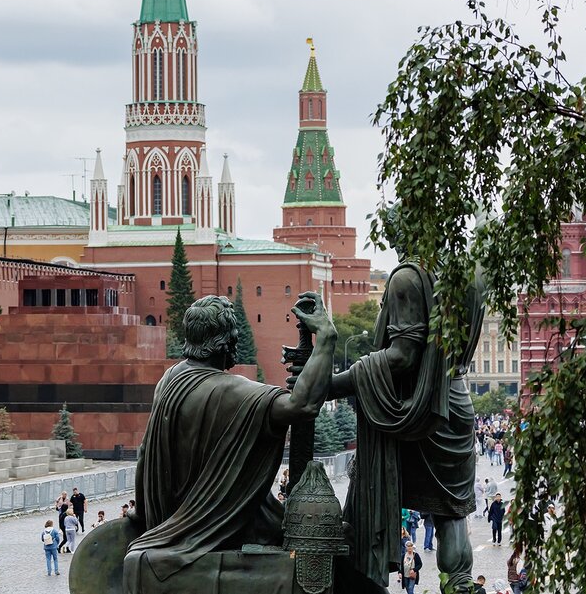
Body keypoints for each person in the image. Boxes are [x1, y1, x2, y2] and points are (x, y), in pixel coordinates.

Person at [124, 293, 336, 589]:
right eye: (234, 332)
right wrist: (326, 338)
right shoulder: (232, 391)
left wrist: (144, 514)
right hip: (219, 528)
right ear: (222, 341)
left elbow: (147, 453)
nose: (238, 338)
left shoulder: (170, 379)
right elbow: (302, 406)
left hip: (168, 522)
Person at [325, 210, 486, 593]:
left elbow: (402, 357)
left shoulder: (407, 277)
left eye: (396, 234)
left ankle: (364, 582)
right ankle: (459, 584)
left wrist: (336, 384)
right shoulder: (467, 274)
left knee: (371, 496)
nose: (395, 244)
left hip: (418, 413)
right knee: (452, 512)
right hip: (456, 404)